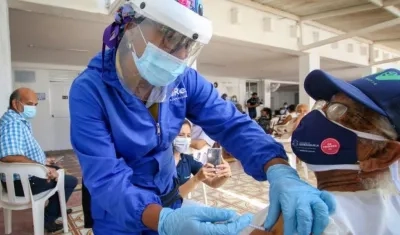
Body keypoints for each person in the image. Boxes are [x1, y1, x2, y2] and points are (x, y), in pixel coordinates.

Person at [69, 1, 335, 235]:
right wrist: (162, 221)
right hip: (119, 214)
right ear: (130, 25)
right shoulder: (90, 90)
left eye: (188, 43)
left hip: (167, 195)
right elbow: (105, 176)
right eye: (170, 37)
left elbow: (231, 123)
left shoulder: (183, 80)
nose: (182, 54)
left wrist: (278, 168)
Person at [243, 68, 400, 235]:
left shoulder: (309, 221)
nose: (319, 116)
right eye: (326, 104)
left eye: (342, 112)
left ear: (384, 154)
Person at [0, 88, 78, 233]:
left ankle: (57, 208)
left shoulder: (18, 119)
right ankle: (47, 220)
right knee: (69, 181)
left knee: (58, 169)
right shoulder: (13, 124)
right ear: (16, 104)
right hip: (22, 183)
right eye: (30, 104)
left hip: (24, 177)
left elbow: (20, 152)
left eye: (35, 104)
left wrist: (44, 161)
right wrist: (43, 168)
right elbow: (8, 156)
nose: (33, 108)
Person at [174, 120, 231, 199]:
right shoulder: (161, 162)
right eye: (181, 135)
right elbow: (169, 198)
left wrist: (225, 176)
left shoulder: (188, 161)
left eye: (189, 136)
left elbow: (212, 182)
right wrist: (196, 179)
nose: (186, 139)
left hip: (178, 205)